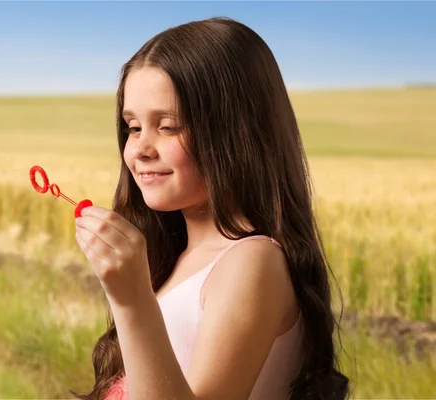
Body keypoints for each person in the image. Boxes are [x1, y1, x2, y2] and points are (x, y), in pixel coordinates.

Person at [70, 17, 349, 400]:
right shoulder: (185, 257)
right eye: (133, 127)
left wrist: (132, 298)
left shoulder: (252, 262)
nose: (140, 149)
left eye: (167, 127)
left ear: (235, 133)